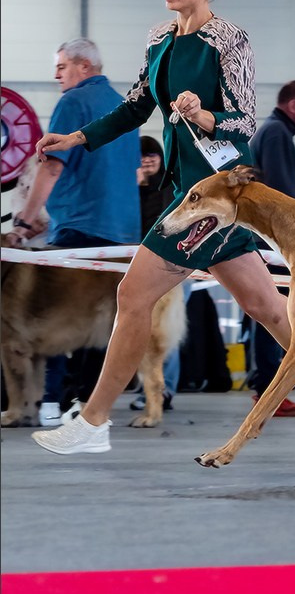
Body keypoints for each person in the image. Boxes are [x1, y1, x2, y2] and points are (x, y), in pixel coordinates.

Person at [30, 0, 295, 455]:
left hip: (218, 199)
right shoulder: (160, 39)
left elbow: (244, 123)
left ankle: (94, 423)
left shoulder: (228, 39)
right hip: (189, 190)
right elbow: (135, 107)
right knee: (268, 307)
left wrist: (204, 114)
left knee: (132, 294)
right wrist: (76, 137)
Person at [9, 38, 141, 427]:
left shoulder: (72, 103)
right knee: (103, 327)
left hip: (81, 229)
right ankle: (90, 406)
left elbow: (52, 166)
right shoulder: (124, 107)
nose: (56, 75)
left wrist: (24, 221)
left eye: (61, 67)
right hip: (123, 235)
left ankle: (49, 403)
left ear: (85, 66)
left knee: (53, 322)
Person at [247, 80, 295, 416]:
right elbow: (282, 199)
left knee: (271, 312)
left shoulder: (276, 133)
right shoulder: (276, 134)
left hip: (275, 244)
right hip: (280, 246)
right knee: (275, 313)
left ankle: (268, 390)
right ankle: (269, 392)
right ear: (293, 105)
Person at [129, 136, 179, 412]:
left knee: (164, 335)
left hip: (170, 269)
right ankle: (147, 388)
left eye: (152, 155)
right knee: (143, 333)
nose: (147, 160)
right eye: (142, 155)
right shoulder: (130, 189)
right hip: (137, 269)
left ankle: (165, 389)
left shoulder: (170, 187)